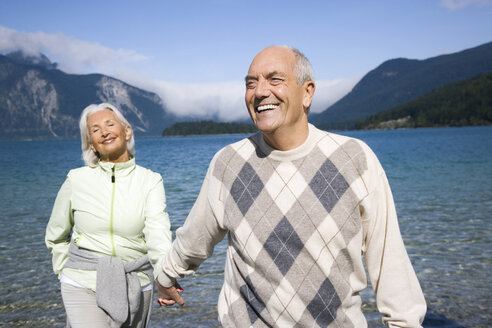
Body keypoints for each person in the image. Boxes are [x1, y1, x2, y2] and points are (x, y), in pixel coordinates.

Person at [156, 46, 427, 327]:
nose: (260, 91)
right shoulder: (229, 163)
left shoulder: (354, 158)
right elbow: (194, 239)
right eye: (251, 83)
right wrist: (165, 276)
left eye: (275, 79)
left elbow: (388, 258)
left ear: (307, 92)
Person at [45, 103, 173, 327]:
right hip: (82, 281)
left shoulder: (150, 180)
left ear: (127, 131)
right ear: (92, 145)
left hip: (136, 282)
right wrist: (66, 270)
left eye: (110, 124)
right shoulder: (76, 179)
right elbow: (56, 234)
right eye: (95, 130)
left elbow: (158, 234)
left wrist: (164, 277)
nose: (104, 132)